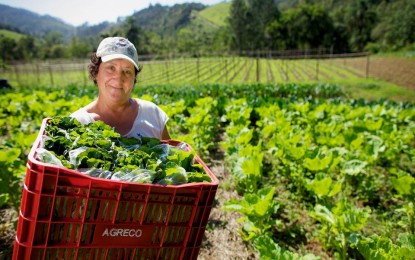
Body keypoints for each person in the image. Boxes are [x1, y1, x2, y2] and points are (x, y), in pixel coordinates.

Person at [70, 36, 170, 140]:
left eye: (127, 71)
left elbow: (170, 153)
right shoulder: (76, 125)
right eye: (111, 68)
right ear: (95, 72)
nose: (118, 78)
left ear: (134, 79)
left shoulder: (152, 115)